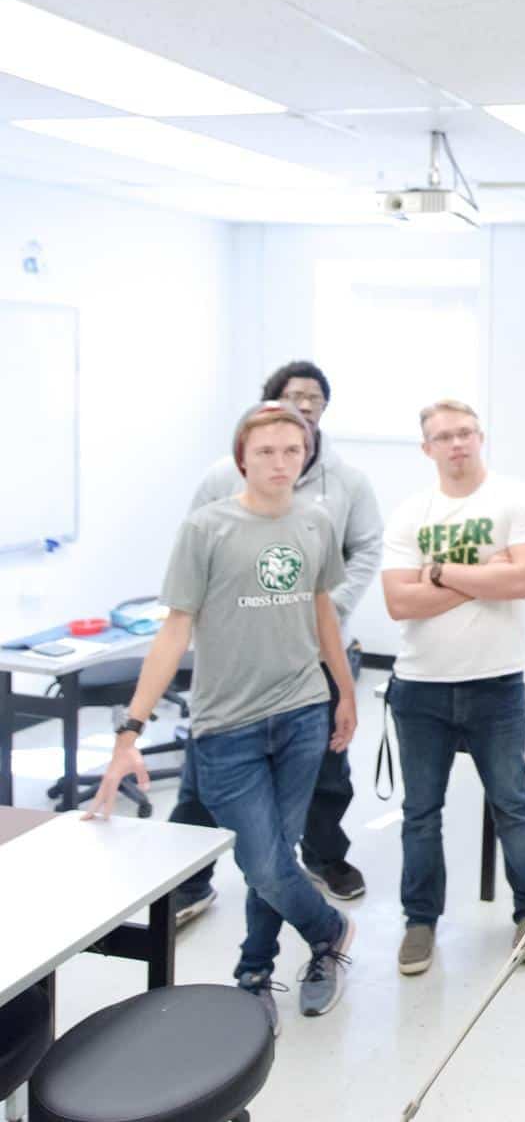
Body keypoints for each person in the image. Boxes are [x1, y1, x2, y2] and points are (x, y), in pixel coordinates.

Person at [89, 402, 361, 1035]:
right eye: (266, 450)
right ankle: (329, 931)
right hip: (226, 729)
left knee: (280, 856)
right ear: (243, 457)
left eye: (292, 450)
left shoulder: (318, 522)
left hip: (301, 714)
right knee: (263, 862)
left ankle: (253, 974)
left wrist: (344, 694)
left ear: (307, 455)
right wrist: (131, 728)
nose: (279, 462)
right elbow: (174, 630)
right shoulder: (206, 528)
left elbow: (323, 613)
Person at [169, 360, 382, 926]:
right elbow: (197, 557)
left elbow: (364, 551)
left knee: (327, 776)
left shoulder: (347, 483)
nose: (305, 405)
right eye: (294, 396)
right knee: (201, 786)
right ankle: (189, 882)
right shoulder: (221, 478)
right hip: (236, 669)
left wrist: (324, 608)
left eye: (315, 398)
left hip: (316, 654)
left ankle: (323, 860)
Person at [381, 399, 525, 977]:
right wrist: (485, 578)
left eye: (465, 433)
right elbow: (398, 600)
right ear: (426, 448)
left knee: (513, 805)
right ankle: (419, 922)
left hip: (495, 685)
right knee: (421, 812)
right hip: (420, 686)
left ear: (482, 437)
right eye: (443, 437)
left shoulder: (518, 499)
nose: (456, 444)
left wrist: (437, 572)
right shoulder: (410, 513)